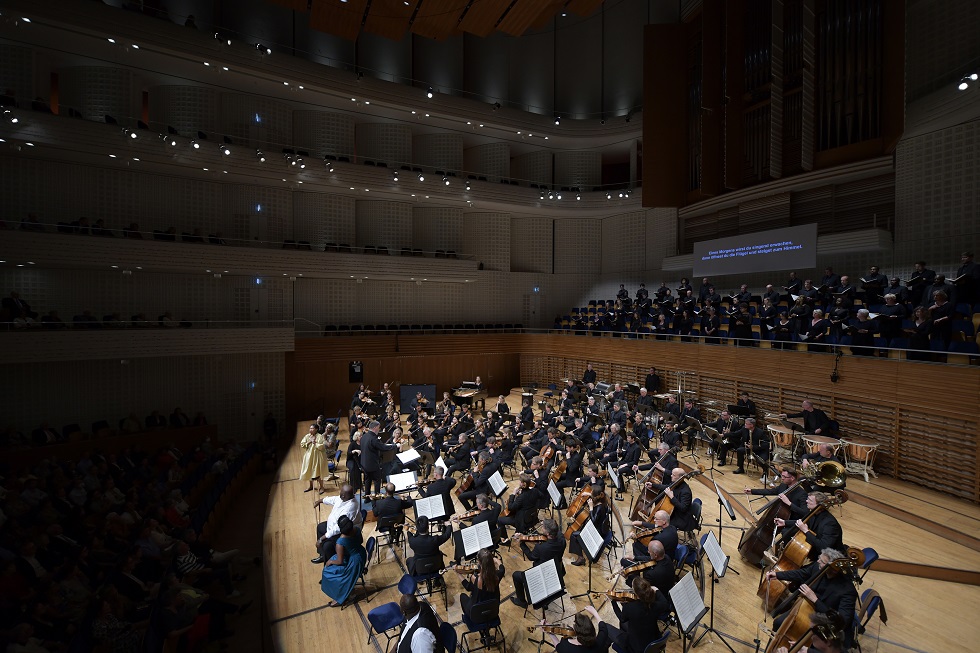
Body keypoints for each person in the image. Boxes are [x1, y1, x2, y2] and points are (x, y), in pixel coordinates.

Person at [765, 548, 858, 651]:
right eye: (819, 558)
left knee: (808, 640)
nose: (818, 561)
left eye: (822, 561)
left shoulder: (848, 591)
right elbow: (801, 573)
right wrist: (778, 575)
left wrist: (815, 600)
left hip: (826, 624)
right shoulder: (818, 567)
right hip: (806, 609)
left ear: (833, 568)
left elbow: (841, 621)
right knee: (778, 623)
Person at [510, 518, 566, 609]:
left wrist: (522, 543)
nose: (541, 528)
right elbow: (547, 536)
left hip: (542, 575)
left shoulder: (541, 548)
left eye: (543, 527)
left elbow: (531, 556)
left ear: (547, 533)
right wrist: (525, 536)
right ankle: (545, 601)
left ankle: (521, 601)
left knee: (516, 575)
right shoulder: (562, 539)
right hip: (557, 571)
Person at [609, 576, 670, 653]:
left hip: (637, 648)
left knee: (607, 627)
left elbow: (622, 618)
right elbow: (664, 603)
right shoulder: (654, 605)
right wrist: (656, 589)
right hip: (654, 640)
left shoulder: (630, 607)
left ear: (635, 592)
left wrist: (613, 601)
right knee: (625, 625)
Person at [774, 491, 845, 555]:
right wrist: (784, 522)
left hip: (828, 555)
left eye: (810, 500)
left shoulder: (830, 523)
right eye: (807, 499)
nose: (806, 501)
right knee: (786, 531)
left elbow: (823, 547)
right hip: (815, 544)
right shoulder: (814, 512)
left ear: (819, 505)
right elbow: (803, 521)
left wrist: (806, 531)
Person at [320, 514, 367, 607]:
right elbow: (361, 541)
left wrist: (330, 562)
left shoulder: (340, 542)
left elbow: (339, 561)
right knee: (334, 568)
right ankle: (345, 591)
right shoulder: (357, 529)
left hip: (354, 562)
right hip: (361, 554)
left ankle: (341, 597)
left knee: (328, 572)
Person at [312, 484, 363, 564]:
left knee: (327, 546)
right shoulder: (345, 498)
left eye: (341, 492)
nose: (339, 494)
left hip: (344, 532)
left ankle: (329, 564)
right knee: (320, 527)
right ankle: (322, 555)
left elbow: (339, 528)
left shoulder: (350, 508)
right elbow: (334, 499)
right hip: (335, 526)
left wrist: (322, 538)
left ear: (343, 495)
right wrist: (320, 501)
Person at [744, 467, 809, 519]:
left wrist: (789, 503)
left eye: (784, 477)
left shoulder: (802, 494)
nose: (782, 478)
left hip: (792, 520)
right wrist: (752, 491)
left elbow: (805, 512)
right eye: (782, 476)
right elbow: (770, 491)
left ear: (792, 478)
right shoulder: (783, 486)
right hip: (780, 517)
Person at [543, 606, 613, 653]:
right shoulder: (599, 642)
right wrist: (594, 612)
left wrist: (550, 633)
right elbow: (603, 627)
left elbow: (558, 647)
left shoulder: (566, 647)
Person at [457, 548, 503, 620]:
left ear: (479, 562)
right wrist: (496, 560)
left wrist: (458, 574)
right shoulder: (498, 575)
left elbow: (468, 587)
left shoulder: (475, 578)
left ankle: (467, 618)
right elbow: (502, 567)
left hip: (477, 613)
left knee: (462, 596)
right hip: (492, 610)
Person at [568, 489, 609, 566]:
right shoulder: (603, 502)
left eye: (592, 495)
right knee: (579, 530)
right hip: (598, 529)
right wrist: (588, 494)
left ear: (596, 497)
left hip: (596, 533)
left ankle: (581, 558)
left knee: (574, 535)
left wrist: (591, 508)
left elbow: (593, 522)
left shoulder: (599, 508)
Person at [646, 468, 694, 532]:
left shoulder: (686, 491)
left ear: (680, 478)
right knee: (659, 518)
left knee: (662, 521)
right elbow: (666, 487)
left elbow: (683, 508)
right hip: (674, 512)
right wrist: (652, 485)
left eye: (674, 475)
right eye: (672, 474)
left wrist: (672, 497)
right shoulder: (675, 483)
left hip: (681, 518)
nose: (671, 476)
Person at [360, 420, 398, 496]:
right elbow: (383, 447)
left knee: (367, 480)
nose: (379, 429)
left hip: (364, 463)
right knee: (377, 480)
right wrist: (395, 446)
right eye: (378, 427)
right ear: (375, 427)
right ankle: (377, 497)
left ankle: (367, 497)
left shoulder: (364, 436)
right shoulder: (373, 438)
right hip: (372, 464)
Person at [299, 424, 328, 494]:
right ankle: (311, 486)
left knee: (318, 472)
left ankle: (322, 487)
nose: (310, 430)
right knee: (309, 470)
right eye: (310, 428)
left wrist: (314, 442)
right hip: (309, 456)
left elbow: (322, 446)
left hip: (317, 456)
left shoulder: (320, 436)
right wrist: (309, 441)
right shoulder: (307, 436)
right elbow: (302, 444)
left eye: (312, 428)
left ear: (316, 429)